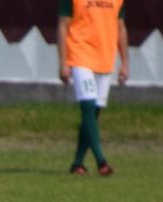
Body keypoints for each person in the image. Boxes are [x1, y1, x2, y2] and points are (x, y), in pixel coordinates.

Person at [58, 0, 128, 176]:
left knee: (93, 113)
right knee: (88, 106)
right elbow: (63, 25)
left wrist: (125, 62)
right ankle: (101, 162)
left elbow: (120, 27)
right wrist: (63, 62)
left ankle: (77, 163)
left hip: (105, 58)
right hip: (80, 54)